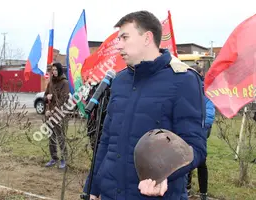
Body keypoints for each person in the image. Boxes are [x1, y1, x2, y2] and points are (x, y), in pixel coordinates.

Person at [84, 11, 207, 200]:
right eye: (118, 39)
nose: (118, 45)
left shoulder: (184, 81)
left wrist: (163, 176)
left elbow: (195, 147)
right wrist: (93, 187)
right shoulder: (119, 81)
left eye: (124, 37)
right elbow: (107, 139)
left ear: (147, 38)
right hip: (110, 193)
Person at [187, 64, 215, 200]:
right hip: (186, 130)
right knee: (185, 159)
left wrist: (199, 126)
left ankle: (203, 193)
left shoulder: (206, 92)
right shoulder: (184, 89)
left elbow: (209, 114)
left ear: (200, 75)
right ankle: (186, 188)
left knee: (201, 160)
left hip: (200, 131)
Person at [43, 63, 70, 169]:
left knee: (61, 137)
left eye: (55, 69)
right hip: (50, 115)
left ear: (59, 70)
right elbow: (45, 96)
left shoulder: (65, 83)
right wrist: (47, 98)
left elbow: (63, 100)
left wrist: (53, 111)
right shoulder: (50, 83)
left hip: (60, 115)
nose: (54, 71)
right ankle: (54, 158)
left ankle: (64, 159)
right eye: (52, 70)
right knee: (51, 137)